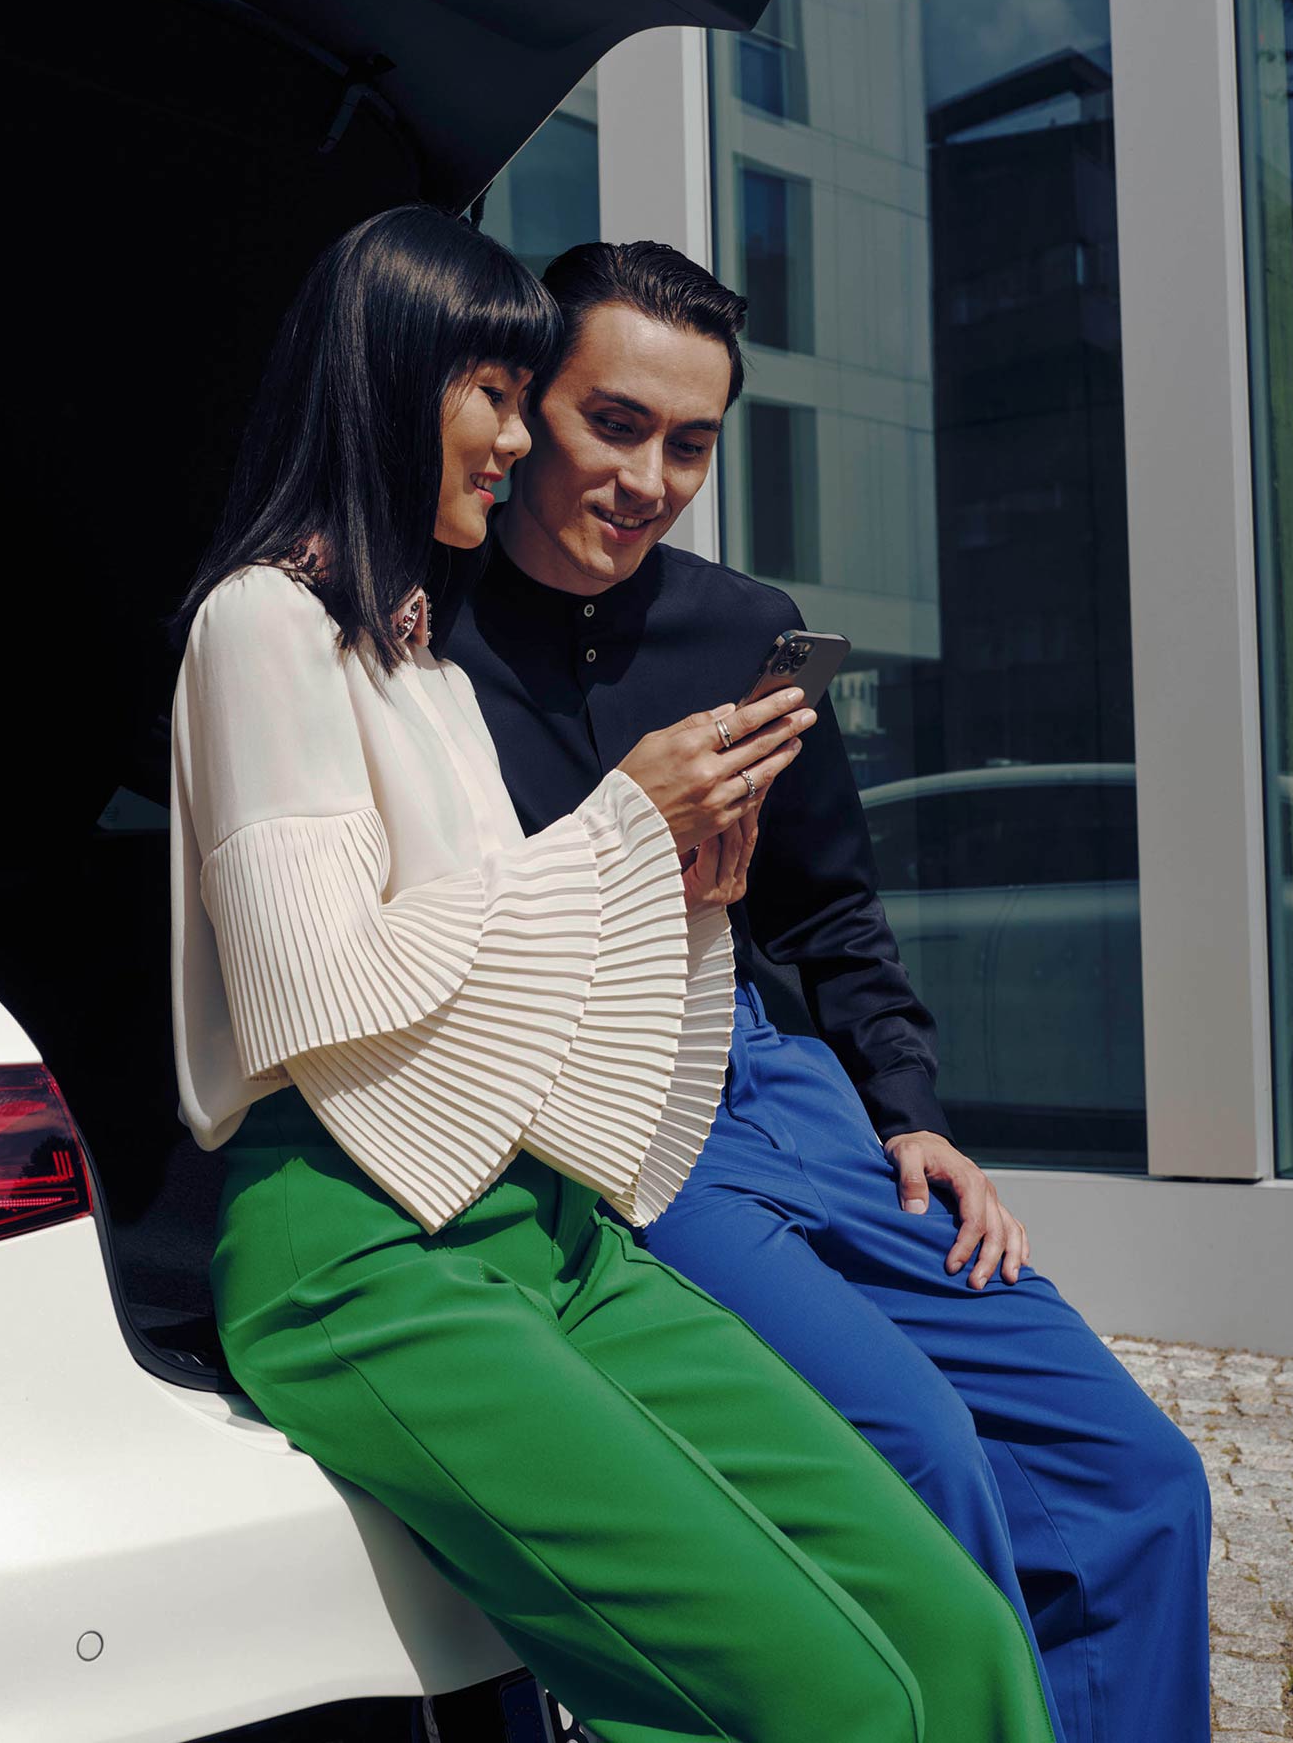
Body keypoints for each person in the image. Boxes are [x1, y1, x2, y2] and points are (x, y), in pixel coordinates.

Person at [170, 205, 1058, 1742]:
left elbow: (536, 1018)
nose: (519, 441)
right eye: (496, 394)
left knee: (961, 1634)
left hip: (551, 1229)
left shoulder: (420, 665)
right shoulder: (263, 624)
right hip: (357, 1255)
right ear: (394, 380)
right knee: (838, 1696)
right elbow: (319, 993)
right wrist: (618, 826)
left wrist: (692, 896)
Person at [439, 238, 1213, 1743]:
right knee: (919, 1457)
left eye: (690, 445)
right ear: (524, 404)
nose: (649, 481)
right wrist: (627, 820)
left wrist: (908, 1111)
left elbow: (831, 904)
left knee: (1138, 1479)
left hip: (789, 1091)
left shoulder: (743, 630)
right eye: (615, 424)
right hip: (607, 1123)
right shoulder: (419, 636)